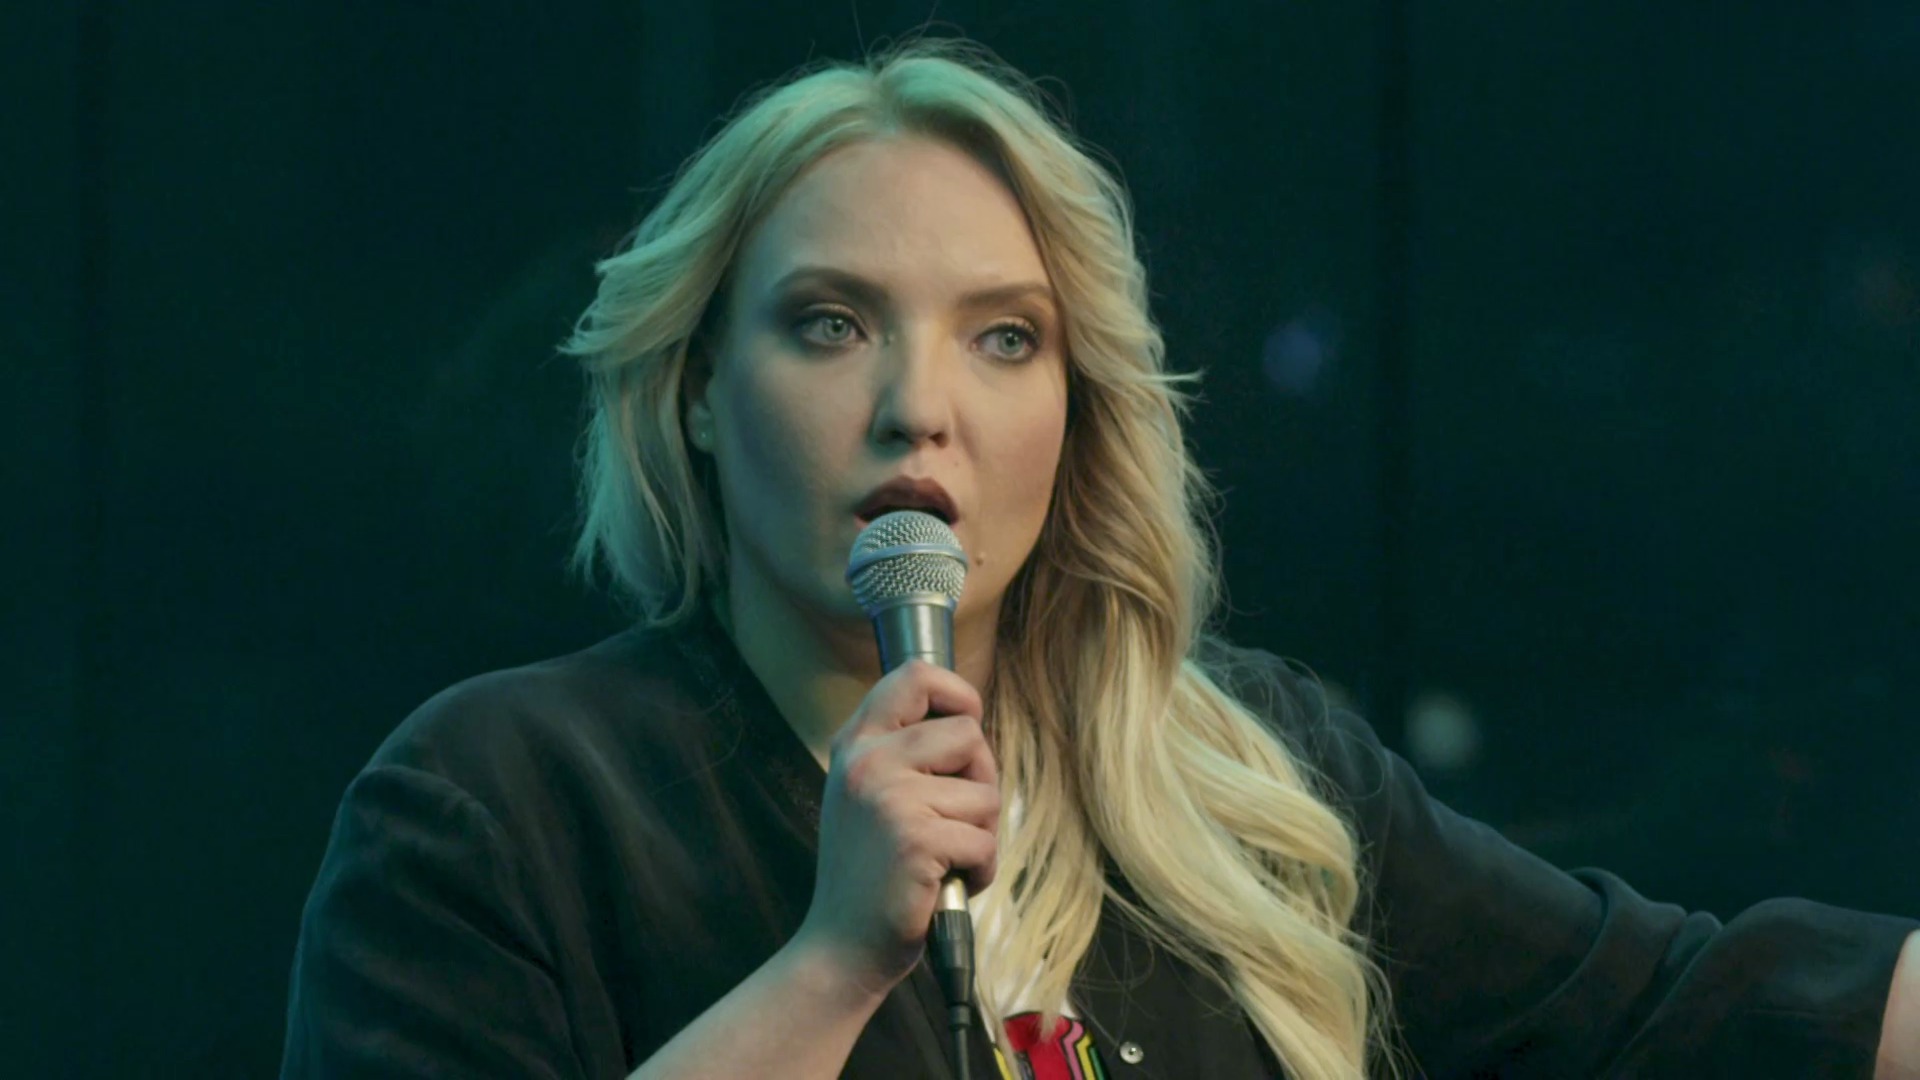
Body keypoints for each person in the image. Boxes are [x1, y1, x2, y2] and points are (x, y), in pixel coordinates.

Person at [280, 35, 1920, 1079]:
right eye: (833, 323)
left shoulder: (1244, 773)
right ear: (701, 389)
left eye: (1004, 338)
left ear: (1079, 410)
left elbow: (1687, 1004)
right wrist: (835, 960)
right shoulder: (498, 805)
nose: (917, 408)